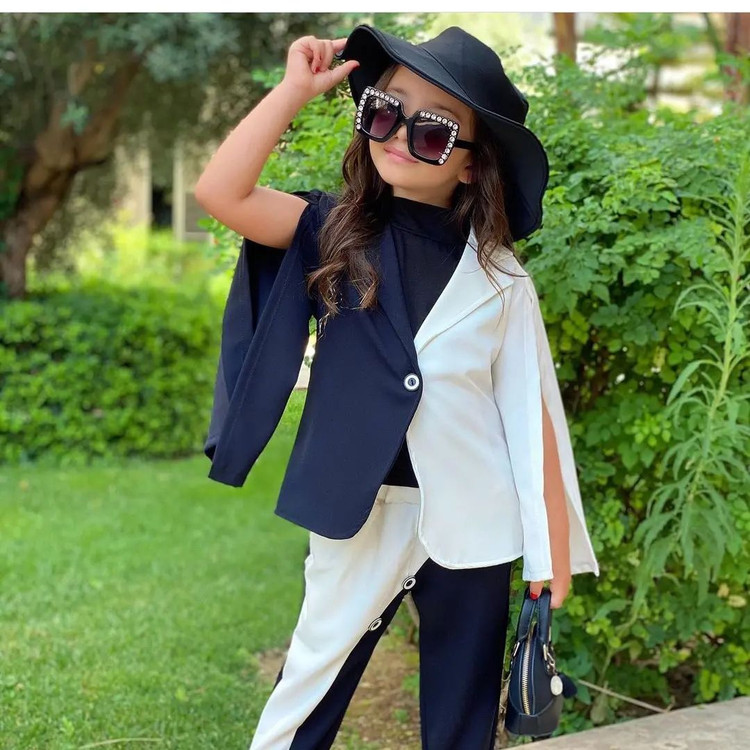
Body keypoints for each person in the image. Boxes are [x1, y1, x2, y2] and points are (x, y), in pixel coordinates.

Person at [196, 23, 600, 750]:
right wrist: (292, 92)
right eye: (385, 111)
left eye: (434, 131)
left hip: (475, 521)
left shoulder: (502, 279)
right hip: (361, 507)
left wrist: (550, 553)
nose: (400, 135)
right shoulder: (330, 229)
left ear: (472, 166)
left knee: (463, 720)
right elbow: (221, 192)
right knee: (306, 693)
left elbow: (529, 413)